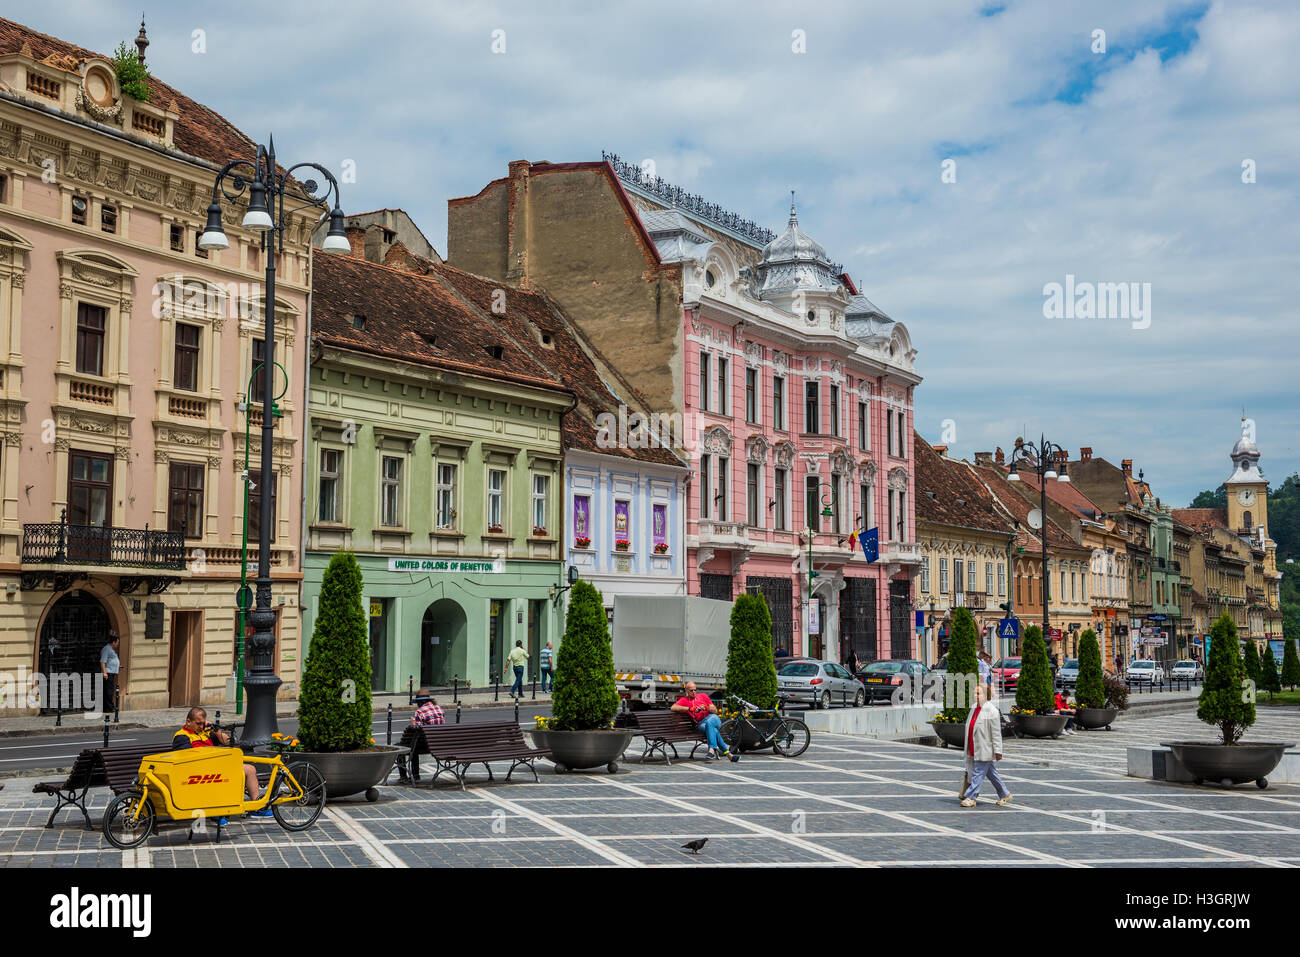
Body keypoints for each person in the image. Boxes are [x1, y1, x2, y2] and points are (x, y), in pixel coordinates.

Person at [172, 707, 272, 822]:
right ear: (188, 721)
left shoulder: (205, 733)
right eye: (198, 723)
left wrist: (216, 731)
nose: (200, 727)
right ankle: (216, 812)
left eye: (202, 724)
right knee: (220, 776)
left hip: (216, 765)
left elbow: (227, 741)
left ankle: (256, 807)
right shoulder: (182, 736)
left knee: (250, 769)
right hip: (197, 771)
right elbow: (185, 760)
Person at [961, 684, 1012, 807]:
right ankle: (1005, 794)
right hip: (974, 747)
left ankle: (971, 797)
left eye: (979, 693)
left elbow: (996, 733)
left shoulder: (992, 710)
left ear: (986, 695)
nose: (975, 696)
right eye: (975, 693)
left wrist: (998, 751)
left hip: (985, 748)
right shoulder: (974, 708)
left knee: (977, 773)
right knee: (991, 773)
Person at [670, 682, 735, 761]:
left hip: (713, 719)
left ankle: (711, 749)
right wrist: (689, 709)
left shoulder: (703, 696)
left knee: (710, 722)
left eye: (695, 690)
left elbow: (715, 711)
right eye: (691, 690)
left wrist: (707, 708)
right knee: (713, 730)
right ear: (686, 690)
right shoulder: (684, 700)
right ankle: (729, 754)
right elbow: (673, 707)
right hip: (701, 724)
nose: (694, 692)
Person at [398, 691, 445, 782]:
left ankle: (405, 776)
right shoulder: (439, 709)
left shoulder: (420, 712)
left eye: (417, 703)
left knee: (402, 747)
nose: (417, 705)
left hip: (425, 744)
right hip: (438, 744)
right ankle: (415, 776)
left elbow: (417, 729)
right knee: (414, 747)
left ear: (420, 702)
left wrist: (413, 722)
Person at [99, 632, 120, 714]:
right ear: (113, 642)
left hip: (111, 672)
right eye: (117, 642)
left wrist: (117, 665)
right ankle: (109, 707)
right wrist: (105, 673)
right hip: (108, 673)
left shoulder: (111, 649)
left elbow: (110, 661)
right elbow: (102, 661)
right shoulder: (107, 649)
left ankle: (107, 707)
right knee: (109, 691)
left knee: (108, 690)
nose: (117, 644)